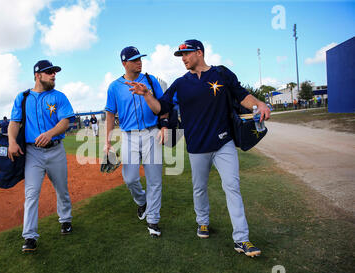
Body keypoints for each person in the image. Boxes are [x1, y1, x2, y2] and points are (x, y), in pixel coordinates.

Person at [128, 39, 271, 257]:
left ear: (200, 53)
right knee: (199, 188)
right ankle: (202, 222)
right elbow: (161, 108)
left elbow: (242, 95)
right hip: (197, 146)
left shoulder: (221, 74)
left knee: (232, 186)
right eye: (181, 56)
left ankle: (242, 239)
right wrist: (147, 95)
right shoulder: (180, 84)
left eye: (186, 54)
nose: (183, 59)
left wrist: (259, 104)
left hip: (224, 143)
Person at [8, 59, 75, 253]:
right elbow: (14, 122)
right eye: (49, 72)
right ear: (37, 75)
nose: (54, 75)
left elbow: (65, 122)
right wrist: (12, 141)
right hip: (33, 154)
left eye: (54, 72)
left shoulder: (59, 97)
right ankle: (29, 236)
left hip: (55, 150)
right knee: (31, 194)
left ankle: (65, 220)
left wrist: (50, 133)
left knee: (61, 189)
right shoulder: (23, 97)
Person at [105, 46, 166, 237]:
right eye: (134, 59)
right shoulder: (114, 87)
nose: (139, 61)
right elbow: (110, 113)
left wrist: (164, 126)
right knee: (130, 178)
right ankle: (142, 201)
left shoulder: (150, 80)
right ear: (124, 63)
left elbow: (163, 107)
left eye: (140, 58)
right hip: (129, 135)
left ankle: (153, 220)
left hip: (152, 133)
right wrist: (107, 142)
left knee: (155, 180)